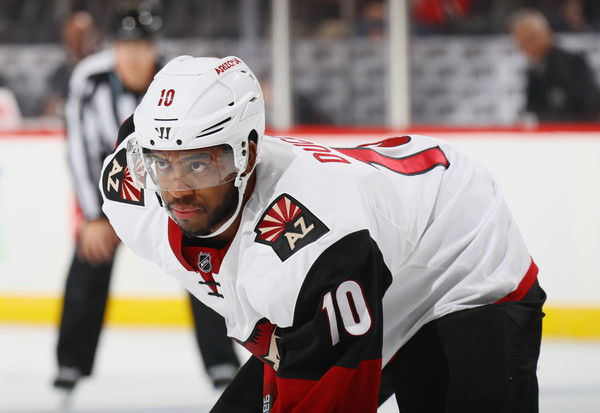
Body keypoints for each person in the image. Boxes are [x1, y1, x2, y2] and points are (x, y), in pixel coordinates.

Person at [100, 55, 546, 412]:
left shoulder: (310, 250)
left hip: (457, 255)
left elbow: (333, 395)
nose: (178, 190)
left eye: (200, 164)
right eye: (163, 163)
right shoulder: (131, 191)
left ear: (248, 151)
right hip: (372, 246)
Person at [54, 4, 239, 392]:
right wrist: (92, 215)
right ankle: (71, 362)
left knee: (202, 264)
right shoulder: (90, 79)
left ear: (155, 47)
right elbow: (79, 150)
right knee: (90, 259)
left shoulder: (176, 79)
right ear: (112, 47)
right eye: (124, 46)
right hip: (114, 194)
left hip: (172, 188)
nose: (133, 56)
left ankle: (221, 361)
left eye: (141, 46)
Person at [508, 8, 600, 123]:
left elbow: (590, 102)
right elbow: (533, 108)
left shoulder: (572, 62)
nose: (526, 48)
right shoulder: (535, 70)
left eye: (531, 39)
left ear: (547, 34)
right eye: (522, 43)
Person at [42, 10, 103, 119]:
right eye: (72, 37)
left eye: (82, 36)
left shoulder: (105, 72)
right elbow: (49, 108)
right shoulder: (61, 73)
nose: (75, 43)